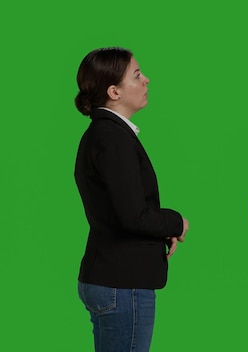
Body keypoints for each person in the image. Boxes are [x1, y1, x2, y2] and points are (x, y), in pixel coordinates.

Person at [73, 47, 189, 352]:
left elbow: (120, 210)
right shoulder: (113, 139)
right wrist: (176, 221)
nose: (146, 80)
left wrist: (162, 228)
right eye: (136, 75)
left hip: (108, 277)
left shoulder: (103, 134)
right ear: (114, 91)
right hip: (122, 284)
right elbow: (133, 215)